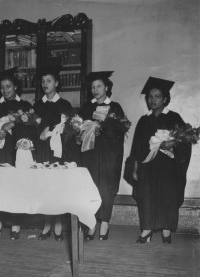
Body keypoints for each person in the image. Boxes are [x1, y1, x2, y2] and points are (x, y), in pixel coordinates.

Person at [130, 77, 191, 244]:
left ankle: (166, 230)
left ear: (165, 99)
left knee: (167, 196)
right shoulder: (143, 120)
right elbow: (136, 148)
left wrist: (173, 144)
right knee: (146, 196)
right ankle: (147, 230)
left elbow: (184, 141)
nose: (153, 100)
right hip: (147, 167)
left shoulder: (174, 117)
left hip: (167, 167)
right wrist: (135, 167)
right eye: (150, 96)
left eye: (157, 96)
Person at [0, 67, 37, 240]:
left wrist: (13, 125)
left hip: (18, 153)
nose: (6, 90)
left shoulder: (25, 106)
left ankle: (16, 224)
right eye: (3, 87)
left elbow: (32, 131)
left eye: (9, 86)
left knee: (16, 189)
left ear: (15, 86)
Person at [78, 71, 126, 241]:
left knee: (106, 188)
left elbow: (121, 131)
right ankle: (91, 224)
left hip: (108, 155)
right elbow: (78, 131)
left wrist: (103, 128)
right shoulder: (86, 108)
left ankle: (104, 223)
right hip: (90, 154)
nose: (95, 89)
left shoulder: (115, 107)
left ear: (107, 87)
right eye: (92, 86)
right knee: (90, 186)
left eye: (99, 86)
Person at [33, 64, 72, 242]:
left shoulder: (64, 105)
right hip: (41, 151)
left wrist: (51, 129)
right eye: (43, 81)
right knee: (43, 188)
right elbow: (34, 129)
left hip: (57, 152)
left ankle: (57, 227)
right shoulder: (37, 104)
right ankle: (46, 225)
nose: (45, 84)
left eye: (49, 81)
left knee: (56, 188)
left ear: (56, 83)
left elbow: (68, 129)